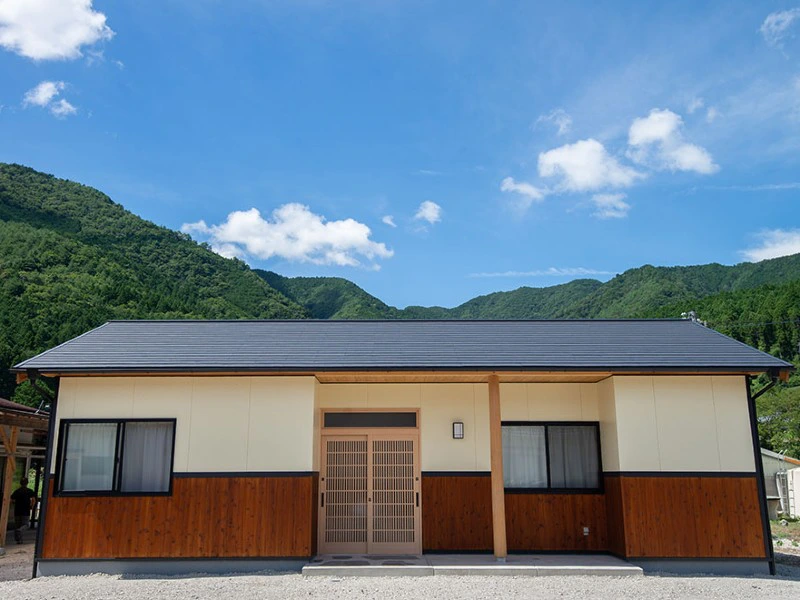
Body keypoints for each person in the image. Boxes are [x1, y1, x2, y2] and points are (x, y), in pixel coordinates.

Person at [10, 478, 36, 544]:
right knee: (26, 525)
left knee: (17, 525)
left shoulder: (17, 491)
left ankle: (19, 540)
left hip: (17, 510)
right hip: (25, 510)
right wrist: (31, 506)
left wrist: (15, 503)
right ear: (27, 483)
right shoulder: (30, 491)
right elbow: (33, 499)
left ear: (20, 483)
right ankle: (20, 530)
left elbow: (12, 500)